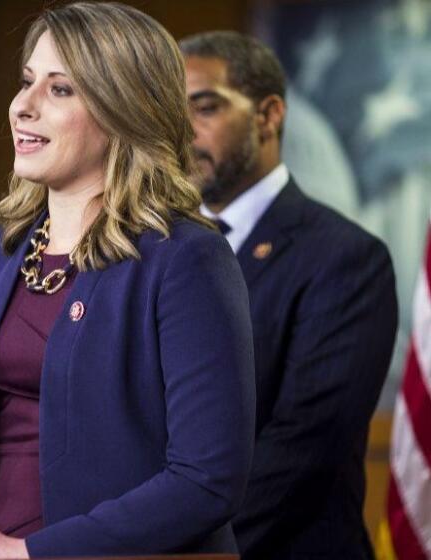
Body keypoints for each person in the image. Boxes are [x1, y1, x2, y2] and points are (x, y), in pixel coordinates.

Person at [0, 3, 255, 558]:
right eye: (26, 81)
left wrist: (24, 554)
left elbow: (205, 481)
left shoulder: (186, 258)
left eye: (60, 89)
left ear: (124, 110)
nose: (23, 106)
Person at [180, 31, 398, 559]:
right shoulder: (159, 251)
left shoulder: (346, 258)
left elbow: (304, 449)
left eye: (203, 108)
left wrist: (182, 551)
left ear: (269, 115)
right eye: (170, 112)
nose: (181, 133)